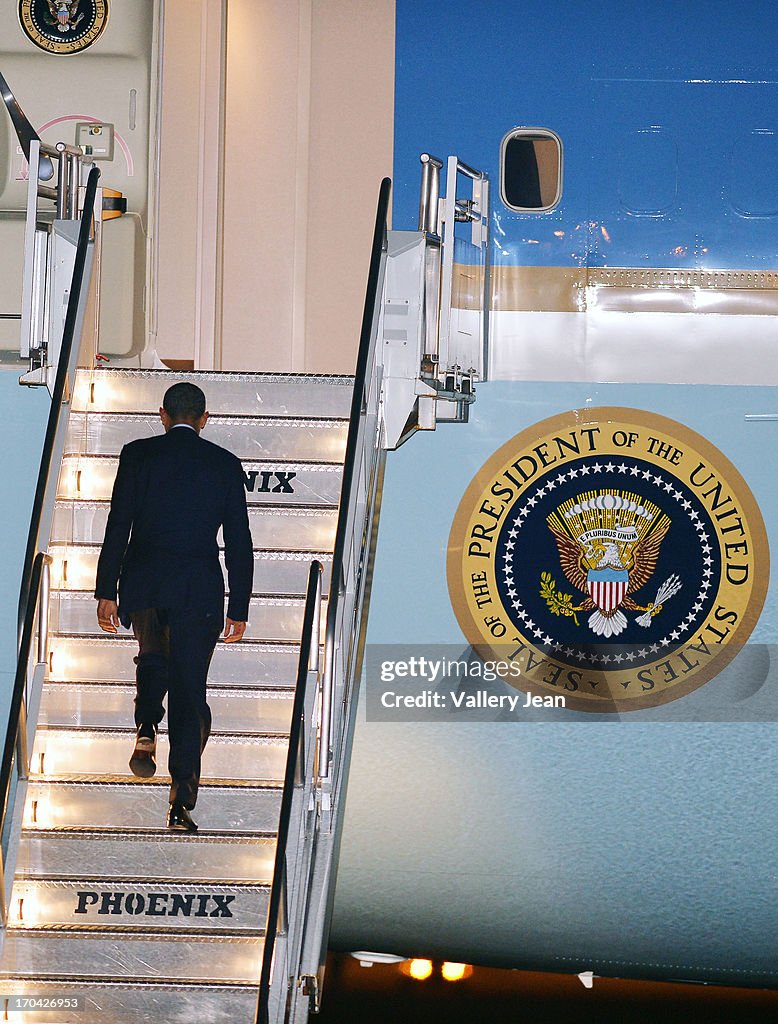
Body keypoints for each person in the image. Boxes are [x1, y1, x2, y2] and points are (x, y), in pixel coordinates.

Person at [94, 382, 253, 832]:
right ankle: (181, 799)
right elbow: (238, 542)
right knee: (189, 692)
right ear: (205, 419)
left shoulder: (137, 455)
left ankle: (146, 726)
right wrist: (238, 606)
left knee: (151, 656)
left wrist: (106, 589)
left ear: (162, 415)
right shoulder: (224, 464)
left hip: (144, 582)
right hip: (198, 590)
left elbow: (118, 524)